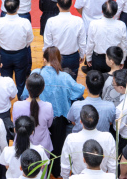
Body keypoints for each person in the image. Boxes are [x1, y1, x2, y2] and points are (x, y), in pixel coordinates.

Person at [21, 47, 85, 178]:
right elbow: (79, 91)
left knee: (38, 144)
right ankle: (56, 171)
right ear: (59, 60)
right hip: (59, 119)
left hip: (37, 116)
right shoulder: (65, 77)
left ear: (44, 59)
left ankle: (37, 169)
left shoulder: (36, 73)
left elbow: (24, 95)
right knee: (58, 146)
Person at [0, 0, 34, 98]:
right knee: (21, 83)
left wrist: (4, 44)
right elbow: (30, 39)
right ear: (19, 7)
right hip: (21, 55)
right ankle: (21, 102)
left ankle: (6, 102)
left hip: (4, 54)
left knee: (5, 82)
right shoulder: (25, 22)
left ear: (4, 7)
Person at [61, 107, 116, 178]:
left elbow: (65, 165)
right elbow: (112, 165)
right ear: (98, 119)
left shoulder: (71, 139)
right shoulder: (108, 137)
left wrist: (66, 177)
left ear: (81, 121)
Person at [43, 0, 86, 79]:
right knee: (72, 82)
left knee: (56, 81)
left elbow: (48, 43)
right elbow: (82, 42)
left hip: (55, 57)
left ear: (57, 5)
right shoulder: (78, 21)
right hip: (73, 57)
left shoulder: (51, 21)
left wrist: (47, 58)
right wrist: (82, 55)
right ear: (72, 3)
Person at [12, 73, 54, 152]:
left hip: (21, 146)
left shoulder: (17, 105)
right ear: (43, 88)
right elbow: (49, 125)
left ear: (26, 87)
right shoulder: (48, 106)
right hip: (43, 148)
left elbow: (16, 124)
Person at [86, 0, 127, 73]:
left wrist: (88, 58)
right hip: (114, 59)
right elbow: (123, 45)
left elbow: (90, 44)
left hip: (98, 59)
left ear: (102, 11)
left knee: (98, 79)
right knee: (112, 79)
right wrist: (122, 60)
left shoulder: (94, 24)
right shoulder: (121, 25)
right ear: (116, 12)